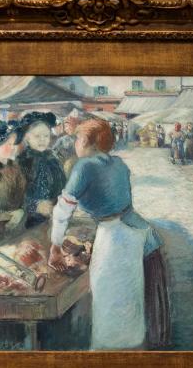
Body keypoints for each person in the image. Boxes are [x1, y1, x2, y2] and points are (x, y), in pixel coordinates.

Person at [48, 119, 170, 349]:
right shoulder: (119, 164)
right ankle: (134, 349)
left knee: (111, 303)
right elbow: (115, 203)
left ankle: (110, 356)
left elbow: (63, 209)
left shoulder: (84, 166)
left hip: (117, 241)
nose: (75, 143)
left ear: (85, 140)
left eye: (77, 138)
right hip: (137, 233)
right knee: (130, 303)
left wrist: (55, 246)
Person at [15, 111, 66, 228]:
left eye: (46, 136)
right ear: (27, 137)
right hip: (29, 221)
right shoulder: (22, 161)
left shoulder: (54, 158)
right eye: (37, 136)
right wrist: (35, 205)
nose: (42, 140)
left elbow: (62, 185)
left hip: (55, 217)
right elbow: (15, 196)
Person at [0, 120, 26, 241]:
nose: (13, 148)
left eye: (14, 144)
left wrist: (21, 211)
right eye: (9, 144)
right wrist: (7, 216)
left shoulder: (15, 166)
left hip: (15, 228)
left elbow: (22, 195)